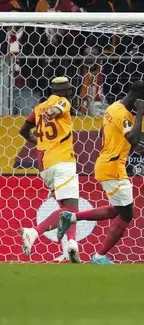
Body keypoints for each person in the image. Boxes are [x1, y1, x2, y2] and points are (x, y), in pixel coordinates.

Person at [57, 81, 144, 264]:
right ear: (138, 99)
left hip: (107, 164)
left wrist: (130, 146)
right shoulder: (124, 114)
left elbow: (103, 133)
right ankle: (99, 256)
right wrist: (140, 113)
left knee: (117, 210)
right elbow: (133, 135)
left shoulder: (113, 107)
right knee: (126, 214)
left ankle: (72, 217)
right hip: (113, 169)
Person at [19, 77, 80, 263]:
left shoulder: (38, 108)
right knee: (71, 209)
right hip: (63, 161)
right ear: (68, 91)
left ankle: (71, 245)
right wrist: (52, 113)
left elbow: (23, 131)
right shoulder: (64, 102)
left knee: (66, 208)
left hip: (45, 164)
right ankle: (34, 232)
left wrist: (41, 142)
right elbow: (58, 108)